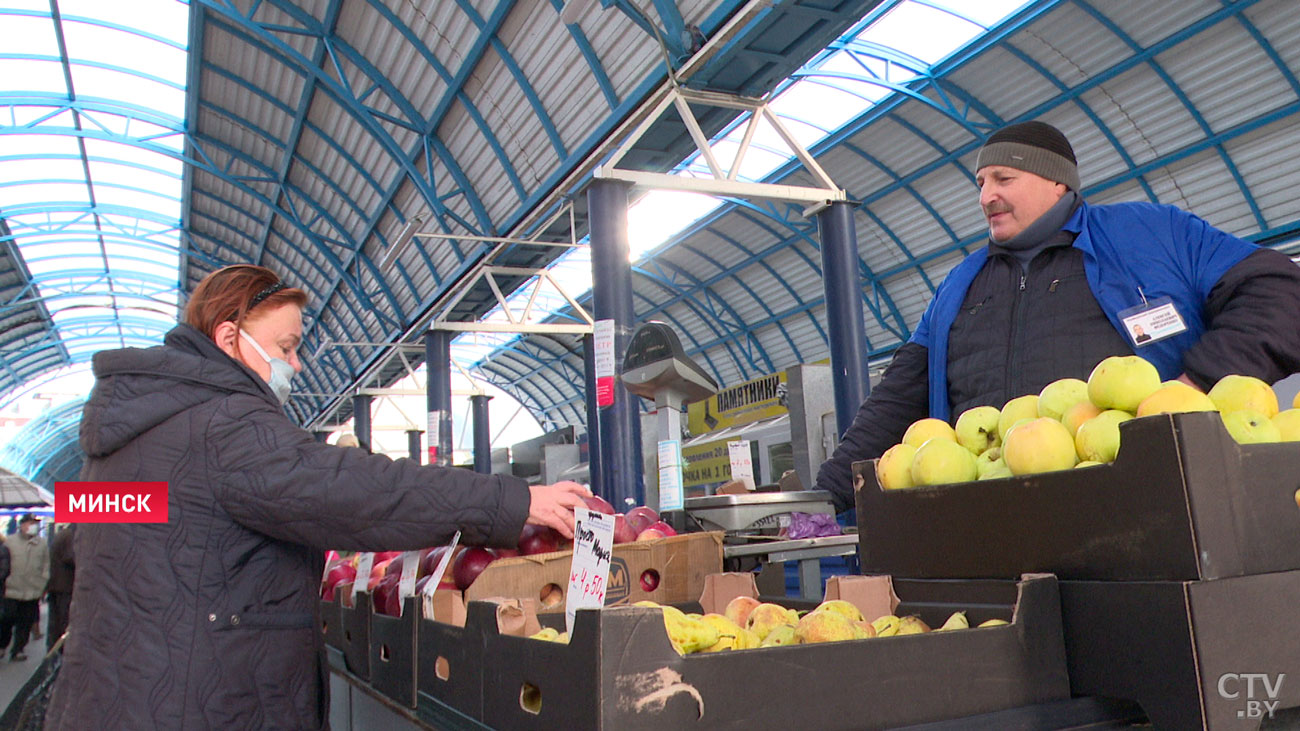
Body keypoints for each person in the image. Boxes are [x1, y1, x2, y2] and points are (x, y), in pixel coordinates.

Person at [45, 264, 593, 730]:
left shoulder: (117, 443)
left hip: (115, 696)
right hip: (198, 704)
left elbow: (85, 547)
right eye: (286, 347)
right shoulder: (222, 423)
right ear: (229, 338)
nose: (297, 364)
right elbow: (355, 491)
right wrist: (510, 502)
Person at [816, 120, 1300, 512]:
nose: (986, 196)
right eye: (981, 183)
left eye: (1004, 179)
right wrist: (819, 500)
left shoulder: (1152, 235)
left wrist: (1196, 383)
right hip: (990, 518)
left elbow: (1279, 292)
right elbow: (897, 400)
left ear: (1057, 182)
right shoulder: (958, 285)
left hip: (1146, 506)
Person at [0, 514, 49, 662]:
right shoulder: (10, 542)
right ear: (22, 525)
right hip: (11, 589)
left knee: (26, 622)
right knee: (6, 619)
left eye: (34, 523)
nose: (32, 526)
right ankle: (2, 645)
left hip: (32, 589)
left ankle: (18, 649)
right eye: (30, 523)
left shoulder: (42, 543)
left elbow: (46, 565)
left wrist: (42, 582)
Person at [46, 523, 75, 650]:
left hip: (59, 586)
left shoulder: (65, 534)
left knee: (57, 623)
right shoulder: (69, 536)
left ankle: (55, 650)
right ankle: (59, 651)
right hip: (64, 587)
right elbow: (72, 558)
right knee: (62, 623)